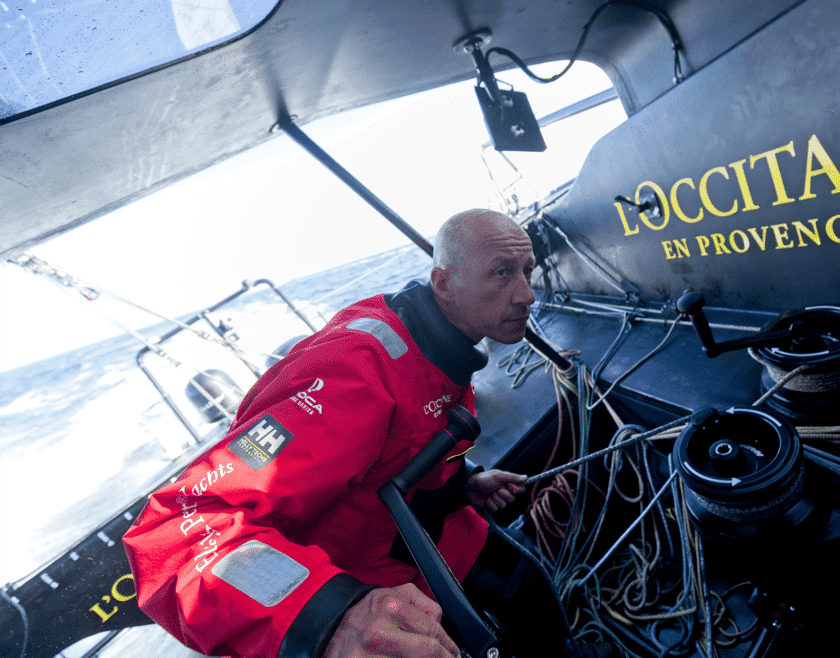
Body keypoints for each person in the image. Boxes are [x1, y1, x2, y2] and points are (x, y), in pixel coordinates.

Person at [124, 209, 539, 658]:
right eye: (501, 273)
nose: (527, 295)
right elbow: (177, 531)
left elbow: (404, 447)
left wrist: (464, 482)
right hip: (375, 595)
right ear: (443, 283)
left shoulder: (442, 349)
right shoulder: (352, 375)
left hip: (441, 540)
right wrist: (328, 619)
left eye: (527, 271)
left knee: (536, 603)